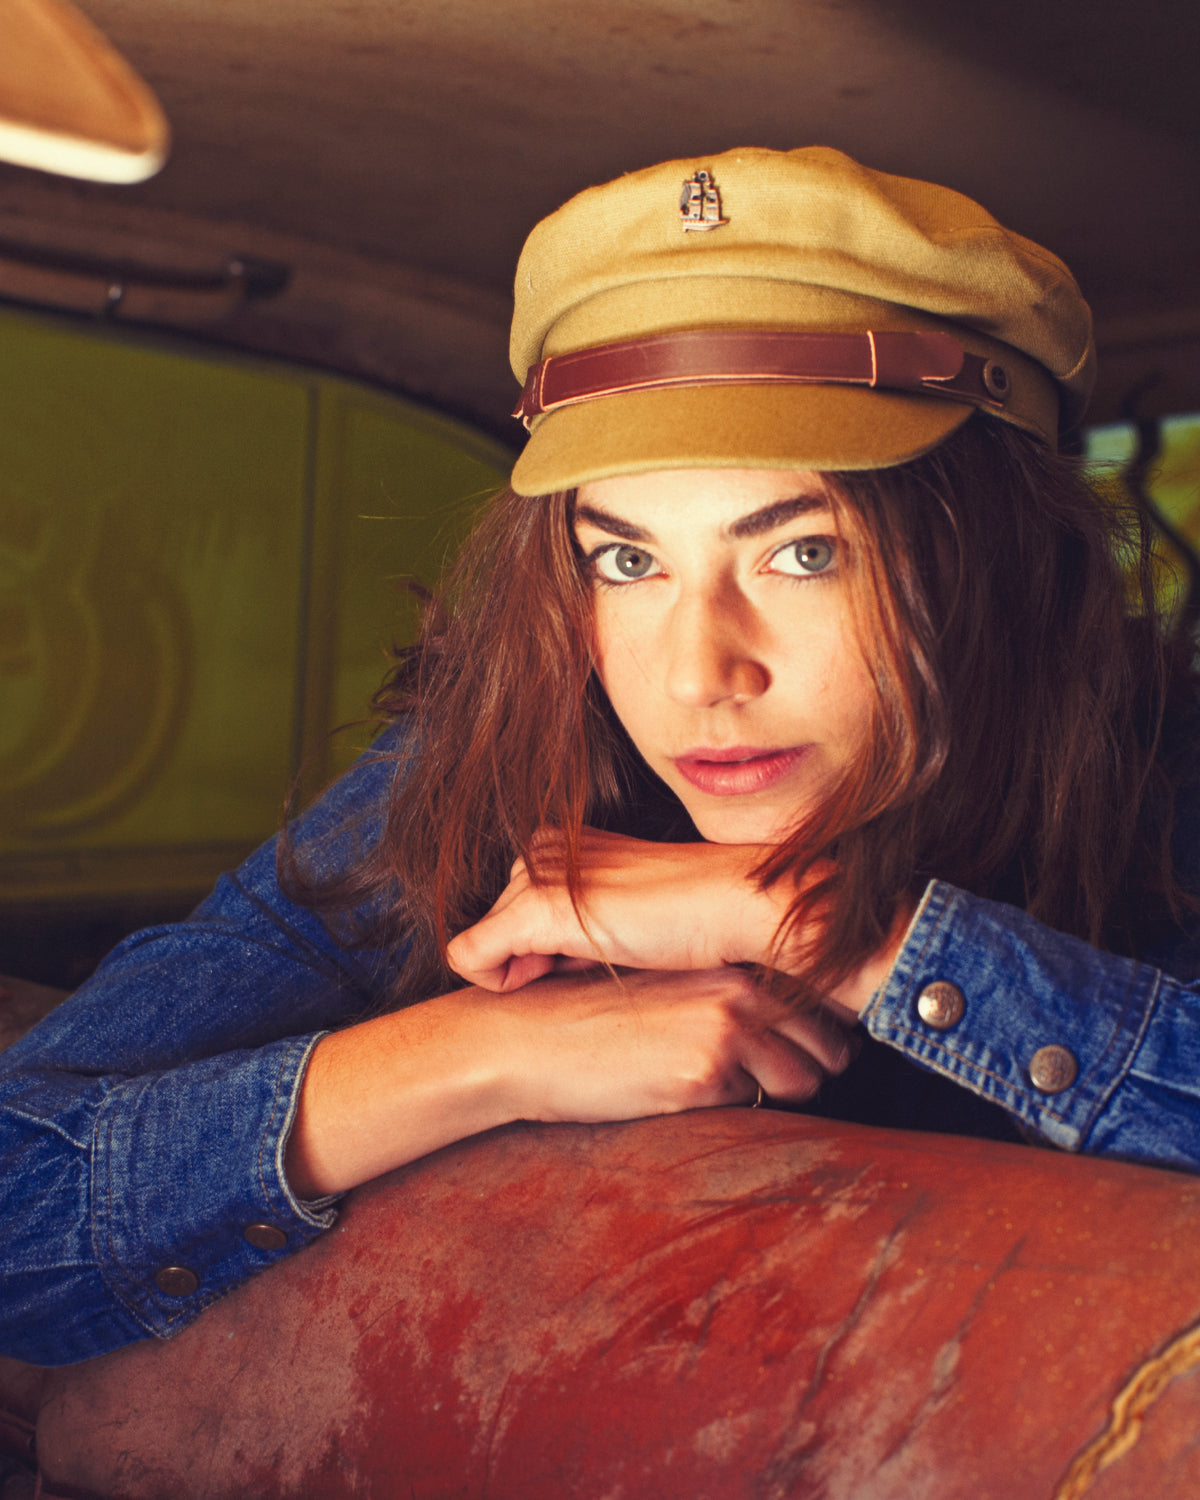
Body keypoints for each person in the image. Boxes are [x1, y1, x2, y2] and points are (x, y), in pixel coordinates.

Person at [3, 146, 1199, 1368]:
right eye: (627, 560)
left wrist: (836, 926)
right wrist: (487, 1053)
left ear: (1004, 562)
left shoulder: (1164, 776)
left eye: (802, 552)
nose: (697, 676)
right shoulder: (493, 765)